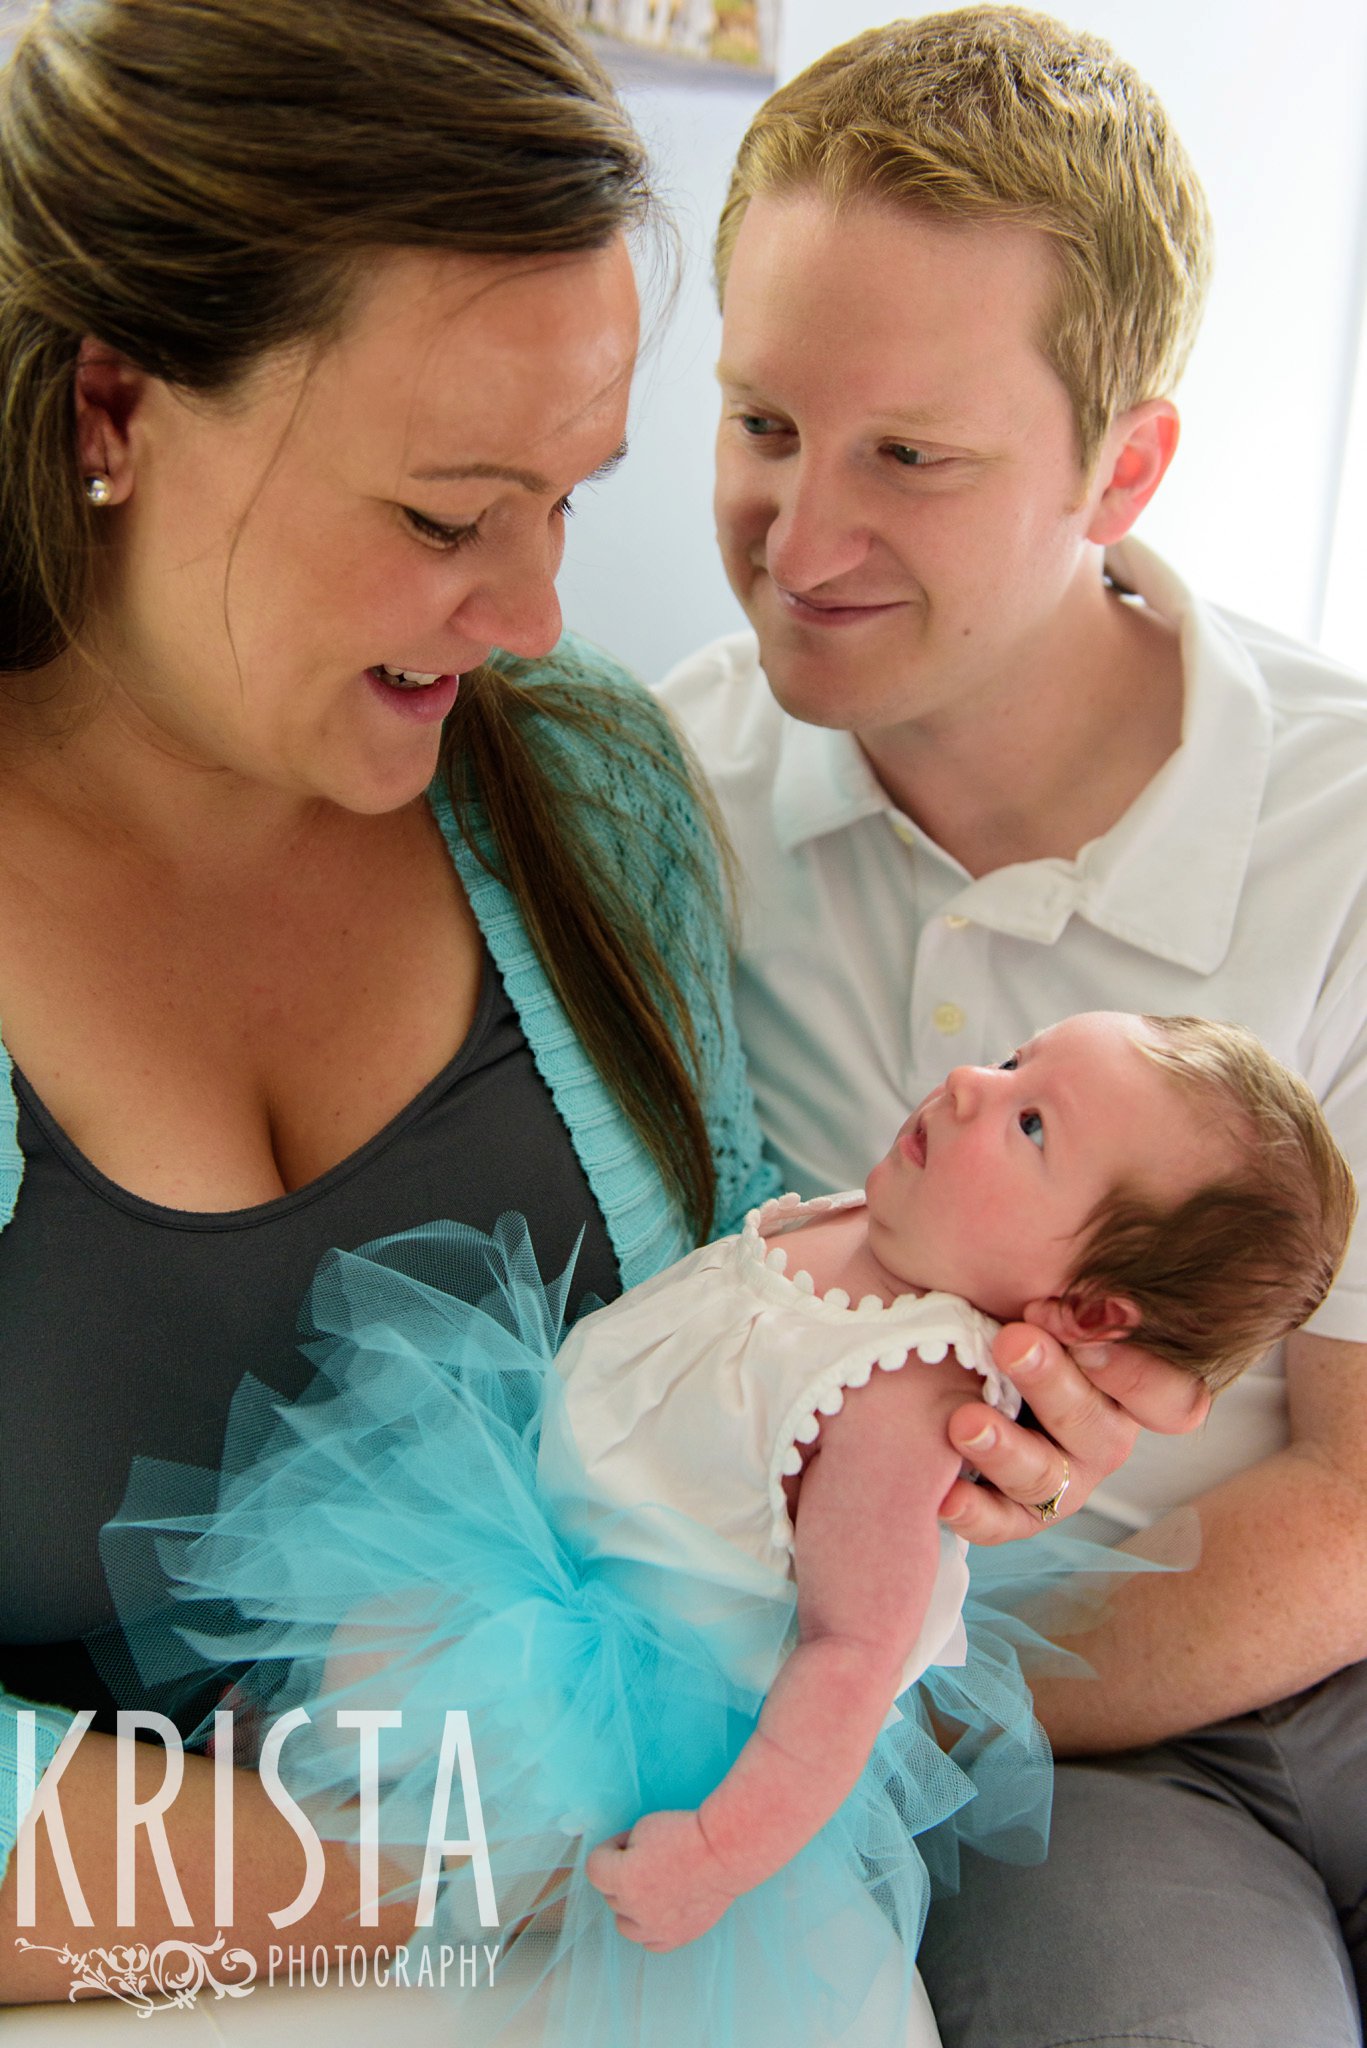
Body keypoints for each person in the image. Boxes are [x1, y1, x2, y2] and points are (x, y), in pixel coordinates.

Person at [0, 0, 792, 2007]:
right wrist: (464, 1872)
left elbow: (738, 1356)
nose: (533, 614)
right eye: (442, 516)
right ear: (114, 407)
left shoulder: (585, 788)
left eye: (568, 498)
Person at [658, 10, 1367, 2046]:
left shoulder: (1335, 828)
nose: (796, 543)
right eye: (761, 422)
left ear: (1121, 464)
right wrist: (874, 1665)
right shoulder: (669, 803)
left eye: (910, 455)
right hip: (1061, 1753)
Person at [97, 1011, 1354, 2048]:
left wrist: (718, 1848)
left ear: (1081, 1307)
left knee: (451, 1821)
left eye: (1030, 1124)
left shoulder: (908, 1397)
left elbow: (849, 1656)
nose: (973, 1083)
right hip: (540, 1539)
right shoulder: (852, 1228)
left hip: (635, 1672)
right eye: (1016, 1056)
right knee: (368, 1665)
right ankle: (282, 1756)